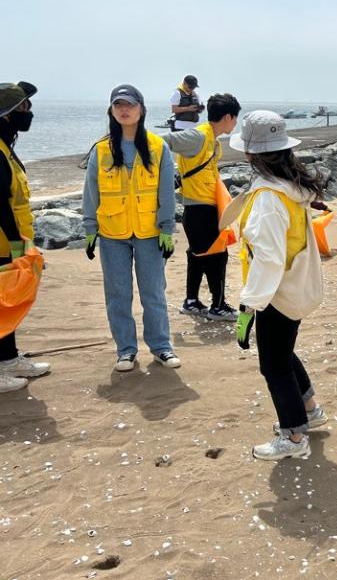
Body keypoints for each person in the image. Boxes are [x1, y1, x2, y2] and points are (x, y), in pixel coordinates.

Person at [230, 111, 329, 460]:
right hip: (295, 287)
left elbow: (268, 259)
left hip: (277, 293)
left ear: (250, 154)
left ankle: (294, 437)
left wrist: (249, 306)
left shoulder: (269, 199)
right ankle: (311, 410)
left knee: (272, 364)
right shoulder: (289, 189)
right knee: (283, 354)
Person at [82, 85, 180, 372]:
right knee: (118, 295)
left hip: (150, 233)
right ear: (112, 111)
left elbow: (166, 191)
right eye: (118, 106)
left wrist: (167, 228)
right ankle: (125, 350)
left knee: (153, 293)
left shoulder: (157, 146)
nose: (124, 110)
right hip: (112, 233)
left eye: (130, 105)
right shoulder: (100, 150)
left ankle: (161, 347)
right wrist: (90, 228)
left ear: (141, 109)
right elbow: (90, 191)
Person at [164, 93, 240, 320]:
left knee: (197, 255)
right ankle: (218, 307)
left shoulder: (211, 140)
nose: (235, 123)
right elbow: (162, 141)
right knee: (217, 255)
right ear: (227, 117)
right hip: (199, 209)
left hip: (202, 208)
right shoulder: (199, 137)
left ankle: (191, 301)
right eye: (235, 119)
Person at [0, 81, 51, 392]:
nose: (28, 113)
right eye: (23, 108)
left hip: (11, 241)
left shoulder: (6, 146)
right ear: (6, 115)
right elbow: (0, 205)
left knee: (9, 301)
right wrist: (19, 247)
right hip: (4, 243)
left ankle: (8, 358)